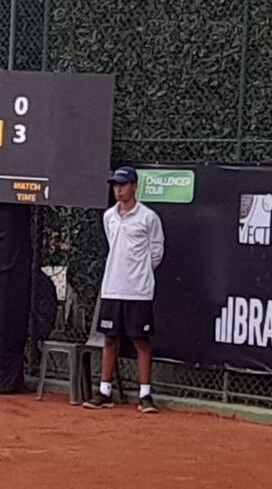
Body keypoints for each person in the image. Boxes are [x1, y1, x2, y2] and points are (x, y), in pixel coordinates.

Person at [84, 165, 165, 413]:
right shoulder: (108, 216)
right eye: (116, 186)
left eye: (123, 185)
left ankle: (145, 395)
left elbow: (156, 252)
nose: (118, 190)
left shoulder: (149, 217)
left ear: (134, 187)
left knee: (141, 340)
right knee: (110, 339)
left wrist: (140, 274)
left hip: (138, 290)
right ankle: (104, 391)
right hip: (112, 288)